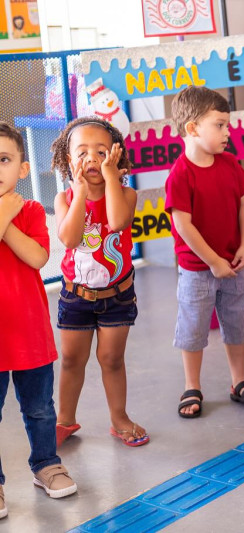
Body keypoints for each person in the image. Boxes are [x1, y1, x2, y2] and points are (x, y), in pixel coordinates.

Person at [164, 86, 244, 418]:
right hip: (198, 271)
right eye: (219, 125)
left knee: (236, 324)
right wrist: (213, 261)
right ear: (193, 129)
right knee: (193, 329)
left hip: (232, 266)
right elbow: (184, 226)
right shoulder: (180, 174)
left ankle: (239, 381)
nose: (227, 132)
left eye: (227, 124)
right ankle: (192, 385)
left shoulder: (230, 164)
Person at [51, 117, 148, 447]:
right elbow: (69, 238)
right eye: (82, 152)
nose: (91, 159)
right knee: (71, 361)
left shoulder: (126, 195)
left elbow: (119, 221)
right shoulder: (64, 199)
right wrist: (80, 194)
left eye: (101, 152)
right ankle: (65, 420)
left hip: (117, 297)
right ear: (68, 160)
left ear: (116, 157)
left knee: (111, 359)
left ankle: (119, 418)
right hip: (76, 297)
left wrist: (110, 178)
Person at [0, 122, 77, 513]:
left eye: (4, 159)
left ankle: (46, 464)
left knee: (40, 408)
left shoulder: (29, 210)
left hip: (29, 335)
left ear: (23, 169)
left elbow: (36, 257)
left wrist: (7, 219)